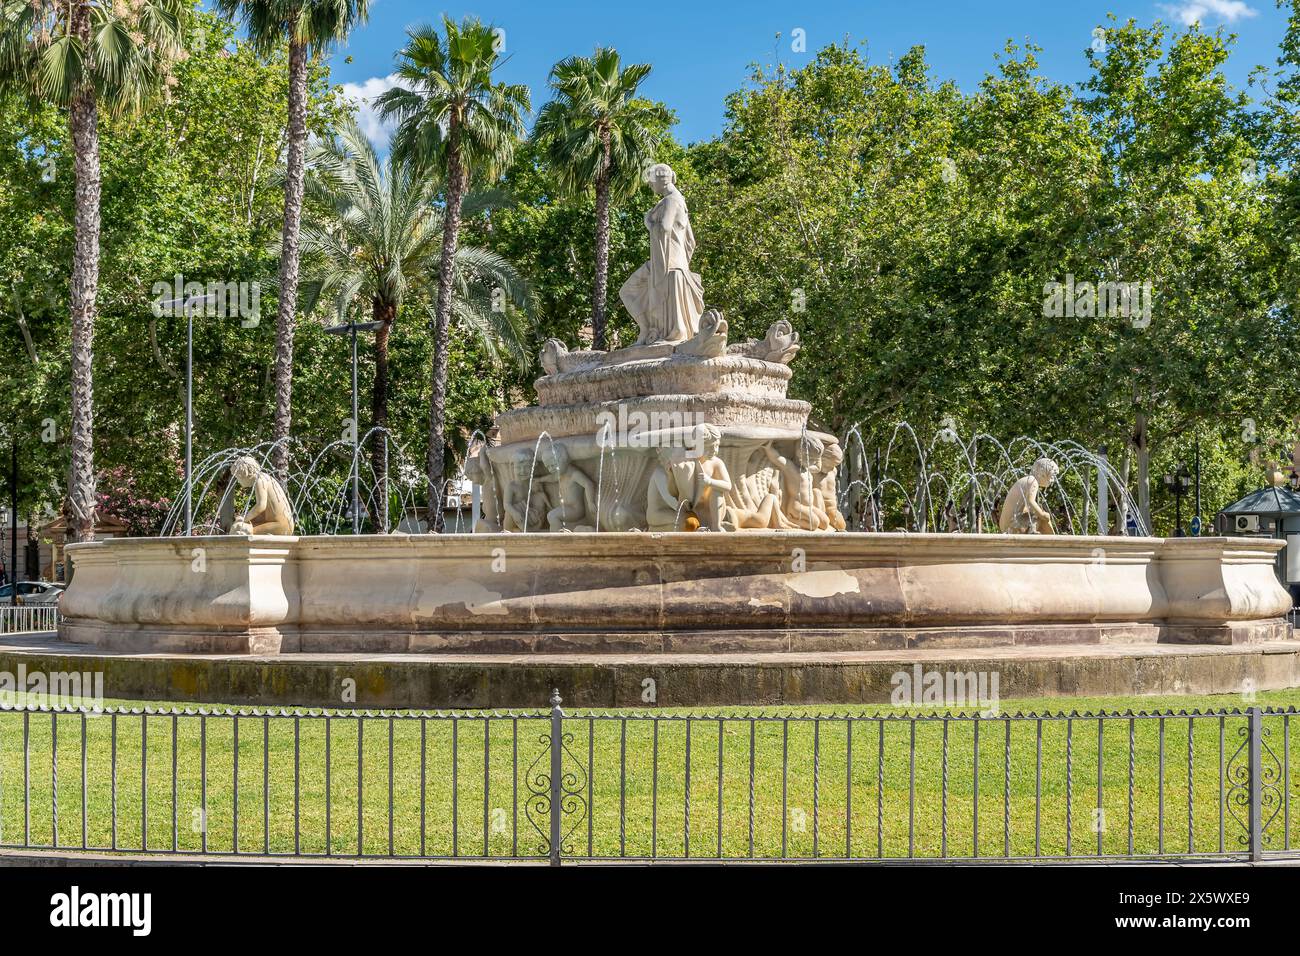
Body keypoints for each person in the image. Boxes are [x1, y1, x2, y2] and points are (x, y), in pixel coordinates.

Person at [619, 163, 705, 346]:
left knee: (627, 291)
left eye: (651, 182)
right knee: (627, 290)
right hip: (669, 260)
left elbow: (664, 227)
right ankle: (646, 330)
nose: (650, 186)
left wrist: (649, 223)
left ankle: (651, 330)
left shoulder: (671, 201)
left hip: (666, 262)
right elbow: (691, 241)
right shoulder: (679, 201)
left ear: (661, 181)